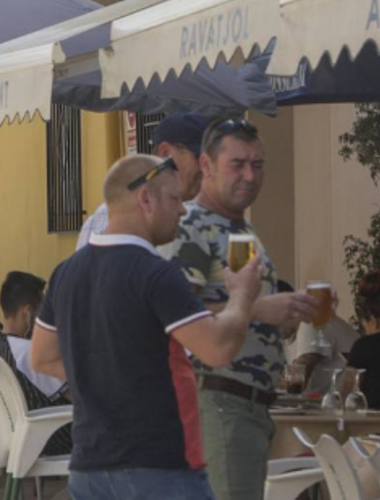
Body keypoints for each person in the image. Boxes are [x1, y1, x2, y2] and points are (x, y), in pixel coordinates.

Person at [32, 154, 263, 500]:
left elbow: (43, 358)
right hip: (160, 466)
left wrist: (112, 374)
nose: (183, 211)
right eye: (175, 199)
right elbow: (218, 349)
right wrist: (242, 295)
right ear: (145, 199)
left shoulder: (65, 273)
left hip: (89, 467)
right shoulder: (156, 273)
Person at [170, 118, 319, 500]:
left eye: (258, 164)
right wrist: (260, 310)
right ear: (206, 165)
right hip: (222, 402)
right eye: (238, 164)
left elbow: (243, 299)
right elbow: (177, 312)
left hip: (249, 404)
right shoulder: (192, 224)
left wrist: (284, 314)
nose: (250, 176)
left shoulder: (236, 228)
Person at [76, 112, 208, 250]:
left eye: (211, 161)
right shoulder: (111, 216)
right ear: (165, 152)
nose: (206, 168)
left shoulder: (207, 216)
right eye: (198, 157)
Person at [0, 271, 72, 456]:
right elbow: (75, 395)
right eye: (42, 312)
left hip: (20, 434)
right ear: (28, 312)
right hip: (54, 436)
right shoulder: (28, 352)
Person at [346, 271, 380, 409]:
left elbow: (346, 390)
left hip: (376, 425)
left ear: (375, 321)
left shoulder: (365, 346)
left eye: (365, 326)